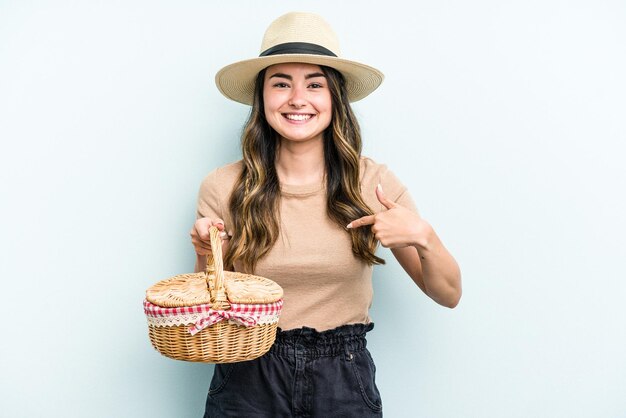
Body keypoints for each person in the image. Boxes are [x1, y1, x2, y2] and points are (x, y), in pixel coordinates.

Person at [190, 11, 462, 418]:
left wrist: (423, 235)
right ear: (261, 96)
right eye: (281, 83)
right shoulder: (223, 186)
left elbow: (448, 294)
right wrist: (204, 251)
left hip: (343, 376)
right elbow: (206, 314)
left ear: (334, 97)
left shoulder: (375, 184)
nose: (297, 99)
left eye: (314, 84)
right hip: (248, 375)